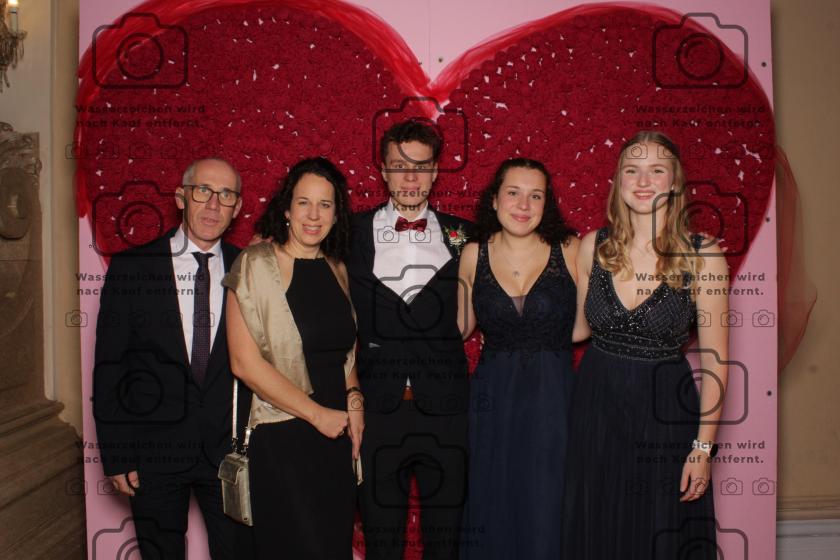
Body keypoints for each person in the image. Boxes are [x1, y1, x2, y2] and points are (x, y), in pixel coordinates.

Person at [562, 131, 729, 558]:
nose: (642, 181)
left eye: (656, 170)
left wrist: (703, 449)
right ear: (618, 180)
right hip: (596, 408)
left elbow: (716, 362)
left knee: (660, 530)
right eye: (632, 170)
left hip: (665, 414)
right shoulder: (592, 246)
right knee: (598, 525)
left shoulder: (703, 254)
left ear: (675, 182)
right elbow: (576, 329)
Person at [93, 158, 246, 559]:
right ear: (181, 197)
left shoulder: (252, 268)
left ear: (238, 207)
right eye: (203, 191)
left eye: (225, 195)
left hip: (229, 455)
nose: (213, 204)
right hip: (153, 452)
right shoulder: (132, 268)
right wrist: (117, 454)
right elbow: (110, 368)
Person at [224, 157, 361, 559]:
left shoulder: (336, 268)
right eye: (304, 202)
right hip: (284, 435)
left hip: (336, 436)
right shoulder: (254, 264)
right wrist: (318, 415)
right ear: (286, 208)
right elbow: (243, 363)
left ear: (336, 214)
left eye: (325, 204)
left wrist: (355, 404)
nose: (313, 215)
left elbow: (345, 353)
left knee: (332, 547)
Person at [348, 119, 473, 559]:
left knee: (446, 543)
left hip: (447, 413)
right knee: (381, 542)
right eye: (400, 166)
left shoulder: (467, 235)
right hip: (377, 413)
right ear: (383, 171)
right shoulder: (349, 233)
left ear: (436, 172)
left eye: (420, 166)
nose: (410, 177)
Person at [456, 158, 579, 558]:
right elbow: (460, 328)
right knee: (494, 498)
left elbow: (586, 325)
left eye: (535, 196)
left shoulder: (571, 249)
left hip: (554, 399)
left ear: (547, 204)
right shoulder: (473, 254)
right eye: (513, 193)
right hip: (494, 399)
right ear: (494, 199)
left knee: (548, 501)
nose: (524, 205)